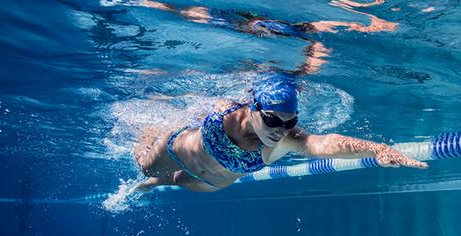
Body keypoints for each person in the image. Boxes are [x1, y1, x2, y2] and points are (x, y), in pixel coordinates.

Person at [132, 71, 428, 192]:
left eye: (290, 122)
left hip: (212, 183)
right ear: (252, 107)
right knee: (146, 169)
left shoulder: (284, 135)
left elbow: (323, 143)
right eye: (273, 120)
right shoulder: (224, 109)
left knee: (161, 183)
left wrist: (378, 149)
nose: (281, 130)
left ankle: (158, 184)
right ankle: (148, 138)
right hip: (177, 150)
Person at [133, 0, 398, 74]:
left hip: (259, 28)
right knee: (197, 14)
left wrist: (365, 23)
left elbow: (328, 24)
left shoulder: (305, 34)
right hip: (254, 24)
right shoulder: (305, 33)